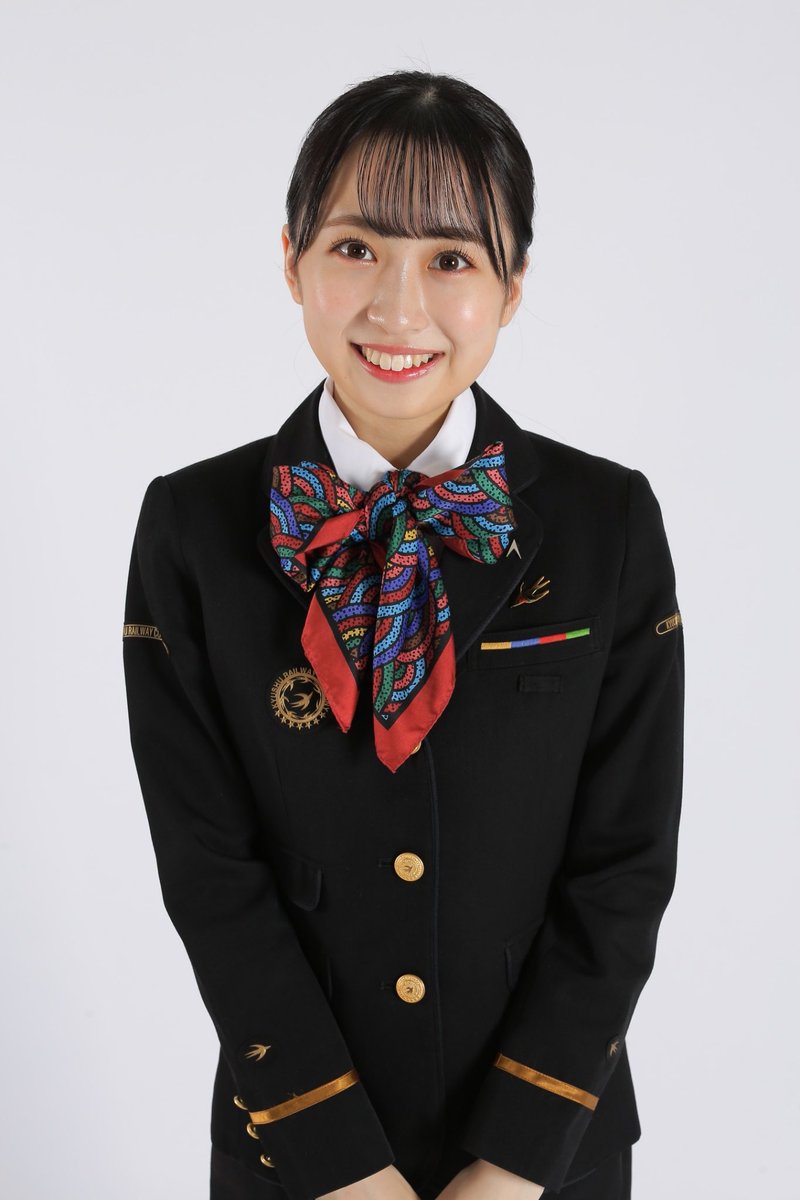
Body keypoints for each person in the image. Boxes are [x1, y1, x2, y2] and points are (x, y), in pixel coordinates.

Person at [122, 70, 684, 1200]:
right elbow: (210, 875)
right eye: (354, 248)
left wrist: (513, 1164)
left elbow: (623, 868)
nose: (397, 307)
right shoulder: (192, 526)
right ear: (291, 260)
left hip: (549, 1158)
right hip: (294, 1153)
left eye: (450, 260)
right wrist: (342, 1166)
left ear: (512, 287)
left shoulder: (606, 522)